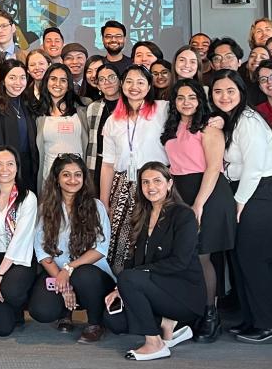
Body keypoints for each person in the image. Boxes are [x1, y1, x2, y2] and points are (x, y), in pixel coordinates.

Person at [210, 70, 272, 344]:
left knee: (255, 259)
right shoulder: (227, 120)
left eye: (230, 90)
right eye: (218, 91)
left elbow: (254, 168)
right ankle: (252, 318)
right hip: (246, 191)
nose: (224, 96)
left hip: (265, 192)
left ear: (241, 92)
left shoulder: (248, 120)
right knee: (241, 258)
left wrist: (238, 204)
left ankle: (270, 323)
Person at [101, 162, 204, 360]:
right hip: (155, 290)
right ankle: (167, 324)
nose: (151, 187)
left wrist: (133, 278)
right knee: (114, 321)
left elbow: (180, 262)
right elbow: (132, 260)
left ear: (169, 184)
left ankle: (154, 343)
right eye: (145, 182)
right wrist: (120, 288)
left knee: (129, 278)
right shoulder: (142, 215)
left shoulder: (184, 215)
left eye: (157, 181)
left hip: (183, 294)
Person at [161, 79, 235, 341]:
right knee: (185, 255)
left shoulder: (209, 127)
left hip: (209, 193)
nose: (186, 102)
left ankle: (210, 315)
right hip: (180, 192)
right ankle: (190, 311)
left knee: (202, 256)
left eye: (191, 97)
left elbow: (214, 167)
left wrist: (198, 204)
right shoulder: (172, 127)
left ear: (200, 99)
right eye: (180, 98)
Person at [28, 154, 115, 342]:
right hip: (57, 272)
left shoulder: (96, 206)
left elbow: (100, 249)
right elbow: (42, 251)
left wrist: (69, 269)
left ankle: (95, 323)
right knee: (41, 310)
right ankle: (64, 312)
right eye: (66, 175)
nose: (72, 180)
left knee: (83, 275)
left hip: (92, 276)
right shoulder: (46, 209)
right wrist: (62, 280)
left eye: (77, 175)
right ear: (57, 179)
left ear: (84, 179)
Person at [99, 65, 169, 273]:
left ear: (149, 87)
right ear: (122, 84)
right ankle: (121, 289)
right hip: (123, 187)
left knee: (154, 236)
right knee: (121, 242)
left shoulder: (163, 110)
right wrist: (105, 202)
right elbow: (108, 165)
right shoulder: (113, 120)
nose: (134, 87)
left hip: (156, 184)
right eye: (129, 81)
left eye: (140, 82)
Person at [0, 146, 38, 337]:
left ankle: (18, 301)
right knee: (2, 328)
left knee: (10, 289)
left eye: (9, 164)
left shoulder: (27, 198)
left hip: (18, 259)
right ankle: (9, 310)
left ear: (17, 167)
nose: (4, 169)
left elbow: (19, 241)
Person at [0, 59, 40, 193]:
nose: (18, 83)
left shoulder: (29, 104)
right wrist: (4, 167)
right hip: (5, 171)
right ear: (3, 80)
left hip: (28, 168)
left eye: (22, 78)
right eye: (12, 78)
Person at [35, 63, 90, 183]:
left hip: (77, 177)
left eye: (63, 80)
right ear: (46, 82)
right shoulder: (37, 113)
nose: (57, 84)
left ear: (68, 84)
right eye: (53, 79)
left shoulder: (83, 107)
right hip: (49, 177)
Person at [83, 63, 123, 192]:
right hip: (97, 163)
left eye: (112, 77)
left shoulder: (130, 105)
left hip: (121, 164)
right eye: (102, 79)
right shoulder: (93, 107)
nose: (107, 82)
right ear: (98, 85)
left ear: (120, 81)